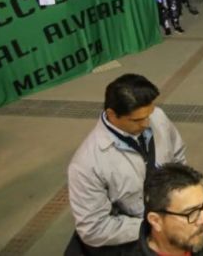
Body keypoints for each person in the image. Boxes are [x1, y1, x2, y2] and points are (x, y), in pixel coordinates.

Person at [68, 74, 187, 254]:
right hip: (134, 234)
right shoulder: (86, 164)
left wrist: (183, 197)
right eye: (137, 120)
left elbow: (178, 156)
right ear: (111, 114)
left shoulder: (157, 117)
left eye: (149, 114)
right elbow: (93, 229)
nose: (147, 123)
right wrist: (153, 225)